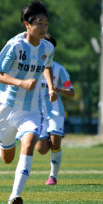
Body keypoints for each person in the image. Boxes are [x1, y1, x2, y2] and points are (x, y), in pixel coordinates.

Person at [0, 1, 57, 204]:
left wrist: (52, 87)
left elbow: (46, 66)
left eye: (46, 23)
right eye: (39, 23)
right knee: (7, 158)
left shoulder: (48, 47)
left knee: (29, 143)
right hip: (8, 108)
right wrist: (21, 83)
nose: (43, 28)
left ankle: (14, 196)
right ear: (26, 24)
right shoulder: (15, 46)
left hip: (32, 109)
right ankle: (3, 144)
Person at [35, 34, 75, 185]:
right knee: (42, 149)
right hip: (38, 112)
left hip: (55, 111)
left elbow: (71, 92)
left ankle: (53, 176)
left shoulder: (59, 70)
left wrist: (57, 89)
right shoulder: (33, 67)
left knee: (56, 142)